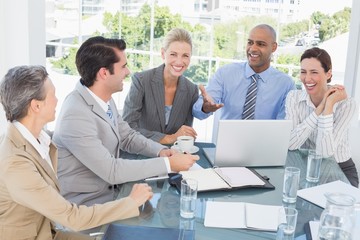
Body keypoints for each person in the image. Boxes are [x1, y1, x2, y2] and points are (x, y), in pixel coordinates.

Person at [0, 65, 153, 240]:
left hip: (49, 232)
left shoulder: (38, 139)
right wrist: (130, 202)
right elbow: (73, 218)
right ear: (36, 106)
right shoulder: (15, 164)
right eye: (53, 95)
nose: (57, 100)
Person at [52, 36, 199, 206]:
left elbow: (127, 136)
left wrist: (161, 151)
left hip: (113, 193)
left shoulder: (103, 99)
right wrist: (167, 164)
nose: (128, 72)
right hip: (87, 206)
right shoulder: (75, 115)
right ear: (104, 73)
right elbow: (112, 170)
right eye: (123, 66)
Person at [285, 47, 359, 187]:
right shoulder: (293, 98)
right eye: (303, 72)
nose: (307, 79)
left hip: (340, 169)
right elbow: (290, 144)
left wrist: (329, 105)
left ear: (328, 73)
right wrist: (319, 109)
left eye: (314, 72)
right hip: (304, 166)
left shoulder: (347, 104)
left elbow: (325, 153)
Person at [192, 24, 295, 120]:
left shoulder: (286, 84)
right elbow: (197, 111)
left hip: (266, 139)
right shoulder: (225, 74)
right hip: (227, 139)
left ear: (274, 47)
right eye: (250, 42)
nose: (253, 48)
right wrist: (205, 108)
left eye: (260, 44)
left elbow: (285, 125)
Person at [122, 28, 198, 144]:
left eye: (185, 56)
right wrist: (169, 138)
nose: (179, 61)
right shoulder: (141, 81)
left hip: (174, 155)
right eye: (173, 54)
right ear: (163, 54)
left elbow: (184, 134)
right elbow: (128, 127)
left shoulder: (191, 90)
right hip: (143, 152)